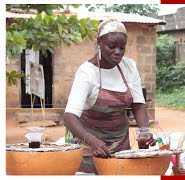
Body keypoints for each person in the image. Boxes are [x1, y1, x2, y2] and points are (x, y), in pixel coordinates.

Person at [63, 17, 157, 174]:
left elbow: (138, 105)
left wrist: (144, 133)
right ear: (99, 43)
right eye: (112, 46)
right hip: (88, 147)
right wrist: (92, 141)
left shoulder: (129, 66)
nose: (118, 52)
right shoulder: (87, 72)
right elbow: (69, 117)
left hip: (120, 145)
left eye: (122, 47)